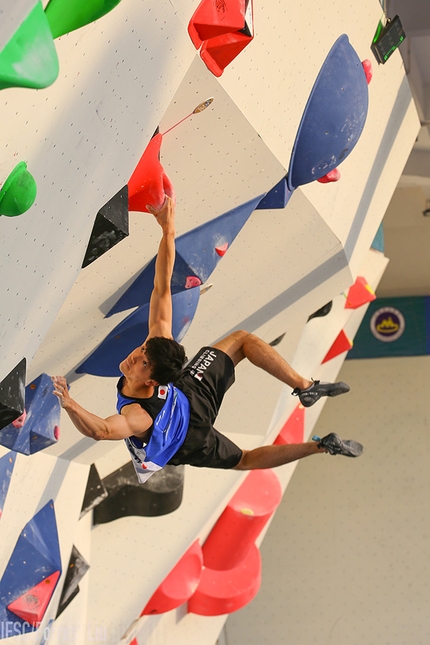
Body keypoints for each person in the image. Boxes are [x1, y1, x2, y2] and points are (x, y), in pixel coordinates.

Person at [52, 197, 363, 483]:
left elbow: (102, 430)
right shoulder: (157, 344)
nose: (134, 356)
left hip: (190, 439)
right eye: (142, 350)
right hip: (189, 394)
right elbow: (161, 287)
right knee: (241, 340)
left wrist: (69, 403)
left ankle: (314, 417)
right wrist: (168, 231)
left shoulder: (137, 415)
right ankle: (314, 417)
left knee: (244, 460)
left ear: (151, 381)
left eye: (143, 362)